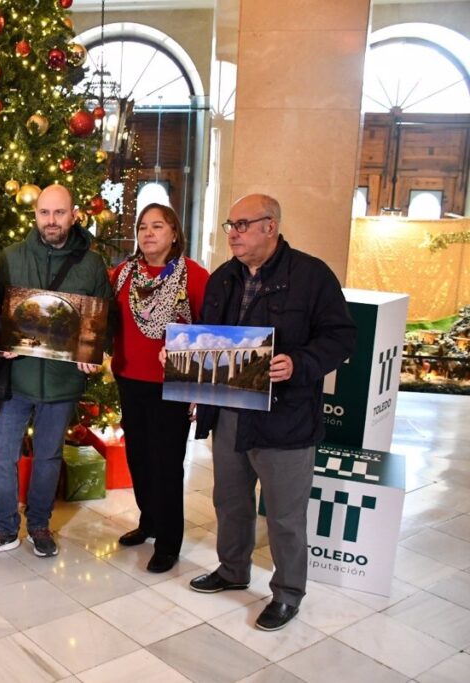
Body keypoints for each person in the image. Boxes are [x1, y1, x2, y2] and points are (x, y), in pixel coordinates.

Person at [188, 194, 356, 631]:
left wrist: (299, 363)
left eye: (242, 225)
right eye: (230, 225)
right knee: (229, 501)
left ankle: (287, 593)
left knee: (284, 514)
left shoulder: (312, 275)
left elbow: (341, 338)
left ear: (270, 226)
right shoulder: (223, 278)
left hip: (286, 416)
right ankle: (232, 569)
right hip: (229, 413)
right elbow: (210, 344)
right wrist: (196, 385)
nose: (234, 233)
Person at [0, 184, 113, 560]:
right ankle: (3, 527)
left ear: (74, 214)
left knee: (49, 457)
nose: (52, 221)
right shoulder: (11, 258)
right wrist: (0, 341)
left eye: (59, 213)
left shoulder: (92, 264)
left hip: (63, 382)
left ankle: (38, 524)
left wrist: (92, 352)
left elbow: (100, 323)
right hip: (15, 379)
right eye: (45, 213)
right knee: (1, 454)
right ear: (35, 216)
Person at [110, 203, 209, 573]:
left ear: (174, 234)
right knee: (138, 456)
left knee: (166, 463)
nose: (148, 233)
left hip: (172, 386)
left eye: (157, 226)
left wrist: (201, 387)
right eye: (143, 227)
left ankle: (169, 541)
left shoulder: (194, 277)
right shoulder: (122, 274)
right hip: (129, 378)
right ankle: (148, 521)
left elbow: (209, 330)